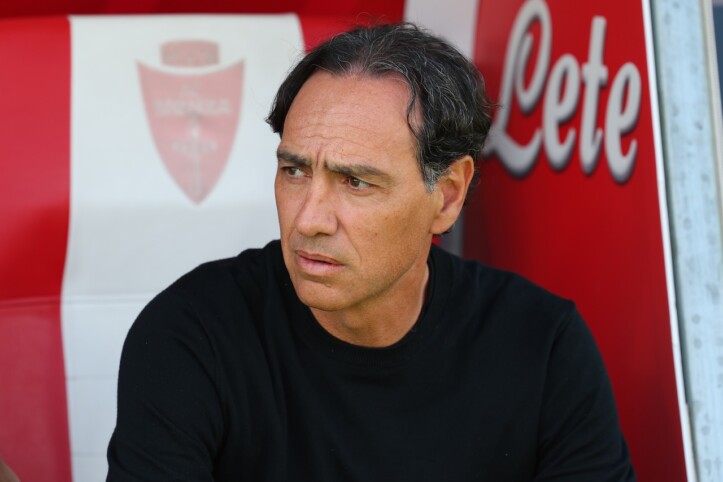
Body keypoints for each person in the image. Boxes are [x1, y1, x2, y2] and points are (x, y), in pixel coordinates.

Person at [107, 22, 635, 481]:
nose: (308, 220)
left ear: (448, 195)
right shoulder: (192, 335)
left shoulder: (541, 346)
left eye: (356, 182)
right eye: (294, 170)